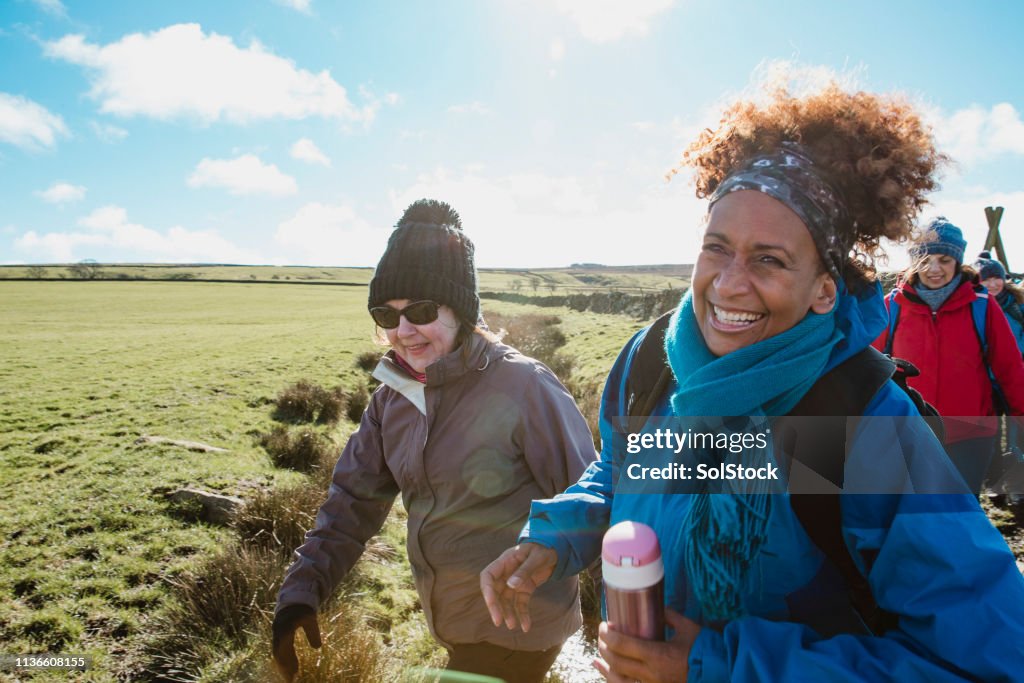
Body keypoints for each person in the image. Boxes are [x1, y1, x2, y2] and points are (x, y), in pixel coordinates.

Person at [481, 82, 1024, 682]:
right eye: (717, 249)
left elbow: (984, 662)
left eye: (769, 259)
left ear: (824, 289)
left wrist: (721, 667)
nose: (730, 284)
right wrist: (557, 536)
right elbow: (623, 467)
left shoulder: (850, 422)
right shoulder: (653, 361)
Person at [272, 199, 596, 682]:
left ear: (460, 311)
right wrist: (302, 590)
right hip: (455, 623)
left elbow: (594, 501)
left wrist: (625, 623)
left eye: (420, 310)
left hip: (520, 627)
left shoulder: (524, 386)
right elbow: (352, 501)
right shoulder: (392, 399)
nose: (403, 330)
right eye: (386, 314)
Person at [874, 224, 1024, 494]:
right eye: (925, 260)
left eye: (944, 260)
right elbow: (868, 368)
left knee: (959, 515)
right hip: (907, 432)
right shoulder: (892, 305)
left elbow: (1009, 368)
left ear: (957, 261)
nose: (934, 269)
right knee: (913, 517)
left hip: (971, 436)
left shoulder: (981, 305)